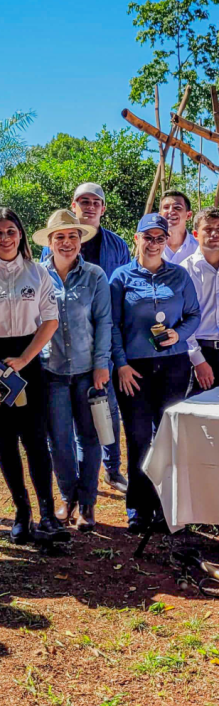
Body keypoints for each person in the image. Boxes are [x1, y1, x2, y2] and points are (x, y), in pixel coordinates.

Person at [0, 207, 68, 545]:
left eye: (11, 231)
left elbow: (50, 321)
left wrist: (25, 359)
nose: (5, 238)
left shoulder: (38, 273)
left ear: (21, 234)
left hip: (28, 364)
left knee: (36, 440)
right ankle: (21, 512)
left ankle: (47, 513)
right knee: (5, 441)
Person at [109, 213, 201, 534]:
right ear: (136, 239)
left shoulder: (179, 276)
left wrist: (178, 334)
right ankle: (138, 507)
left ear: (166, 241)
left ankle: (168, 509)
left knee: (169, 439)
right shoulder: (120, 278)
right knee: (138, 440)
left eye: (160, 238)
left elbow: (194, 314)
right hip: (133, 370)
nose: (153, 243)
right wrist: (120, 364)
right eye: (147, 237)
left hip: (173, 367)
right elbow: (113, 326)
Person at [41, 182, 129, 495]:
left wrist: (110, 356)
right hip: (57, 354)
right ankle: (71, 493)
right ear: (74, 205)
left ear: (103, 208)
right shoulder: (45, 261)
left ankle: (113, 468)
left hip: (103, 344)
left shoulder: (116, 246)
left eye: (96, 202)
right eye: (83, 201)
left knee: (105, 414)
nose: (90, 206)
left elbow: (118, 299)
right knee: (62, 432)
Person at [36, 209, 112, 532]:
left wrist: (101, 364)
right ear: (50, 242)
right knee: (59, 441)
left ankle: (88, 502)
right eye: (59, 237)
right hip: (51, 371)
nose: (66, 243)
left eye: (72, 236)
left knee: (90, 437)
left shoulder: (95, 276)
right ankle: (68, 495)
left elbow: (104, 322)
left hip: (86, 371)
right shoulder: (37, 275)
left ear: (80, 240)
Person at [181, 207, 219, 394]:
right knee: (196, 418)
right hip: (199, 354)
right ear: (196, 234)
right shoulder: (184, 271)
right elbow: (181, 319)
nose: (214, 234)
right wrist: (198, 360)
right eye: (208, 229)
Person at [160, 190, 197, 265]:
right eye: (166, 207)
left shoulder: (199, 248)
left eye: (177, 207)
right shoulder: (151, 247)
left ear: (188, 215)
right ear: (160, 215)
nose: (171, 211)